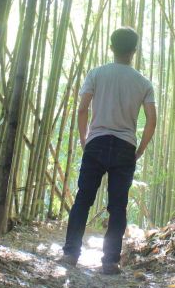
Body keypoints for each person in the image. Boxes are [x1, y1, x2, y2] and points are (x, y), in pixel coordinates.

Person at [60, 27, 157, 275]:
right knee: (118, 205)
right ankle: (110, 261)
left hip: (97, 141)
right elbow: (151, 121)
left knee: (83, 199)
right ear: (134, 51)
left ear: (111, 47)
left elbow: (82, 110)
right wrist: (140, 149)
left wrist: (85, 140)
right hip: (125, 146)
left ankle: (71, 254)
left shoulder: (96, 73)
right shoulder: (143, 83)